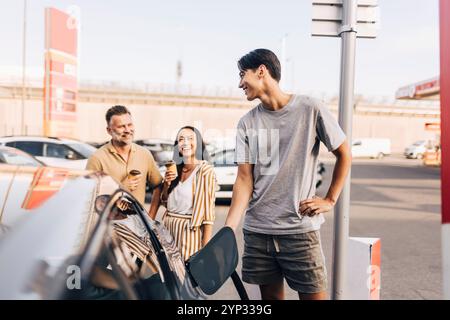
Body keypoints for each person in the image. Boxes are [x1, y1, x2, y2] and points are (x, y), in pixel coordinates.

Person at [224, 49, 352, 300]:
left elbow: (344, 154)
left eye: (242, 75)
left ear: (261, 71)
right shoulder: (246, 123)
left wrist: (329, 200)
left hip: (299, 231)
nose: (239, 83)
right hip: (258, 232)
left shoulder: (310, 108)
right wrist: (229, 228)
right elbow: (244, 179)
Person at [86, 105, 163, 219]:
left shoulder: (144, 154)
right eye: (121, 126)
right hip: (109, 229)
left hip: (138, 227)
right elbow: (88, 198)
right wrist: (121, 188)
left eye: (130, 125)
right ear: (109, 130)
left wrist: (150, 217)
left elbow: (158, 186)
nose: (127, 130)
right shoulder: (97, 158)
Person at [155, 126, 217, 261]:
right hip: (167, 233)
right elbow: (166, 203)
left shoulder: (204, 171)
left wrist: (205, 251)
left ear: (199, 143)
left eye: (190, 138)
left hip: (188, 235)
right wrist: (166, 185)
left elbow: (208, 216)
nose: (185, 142)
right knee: (168, 278)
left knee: (185, 279)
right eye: (181, 139)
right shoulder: (175, 169)